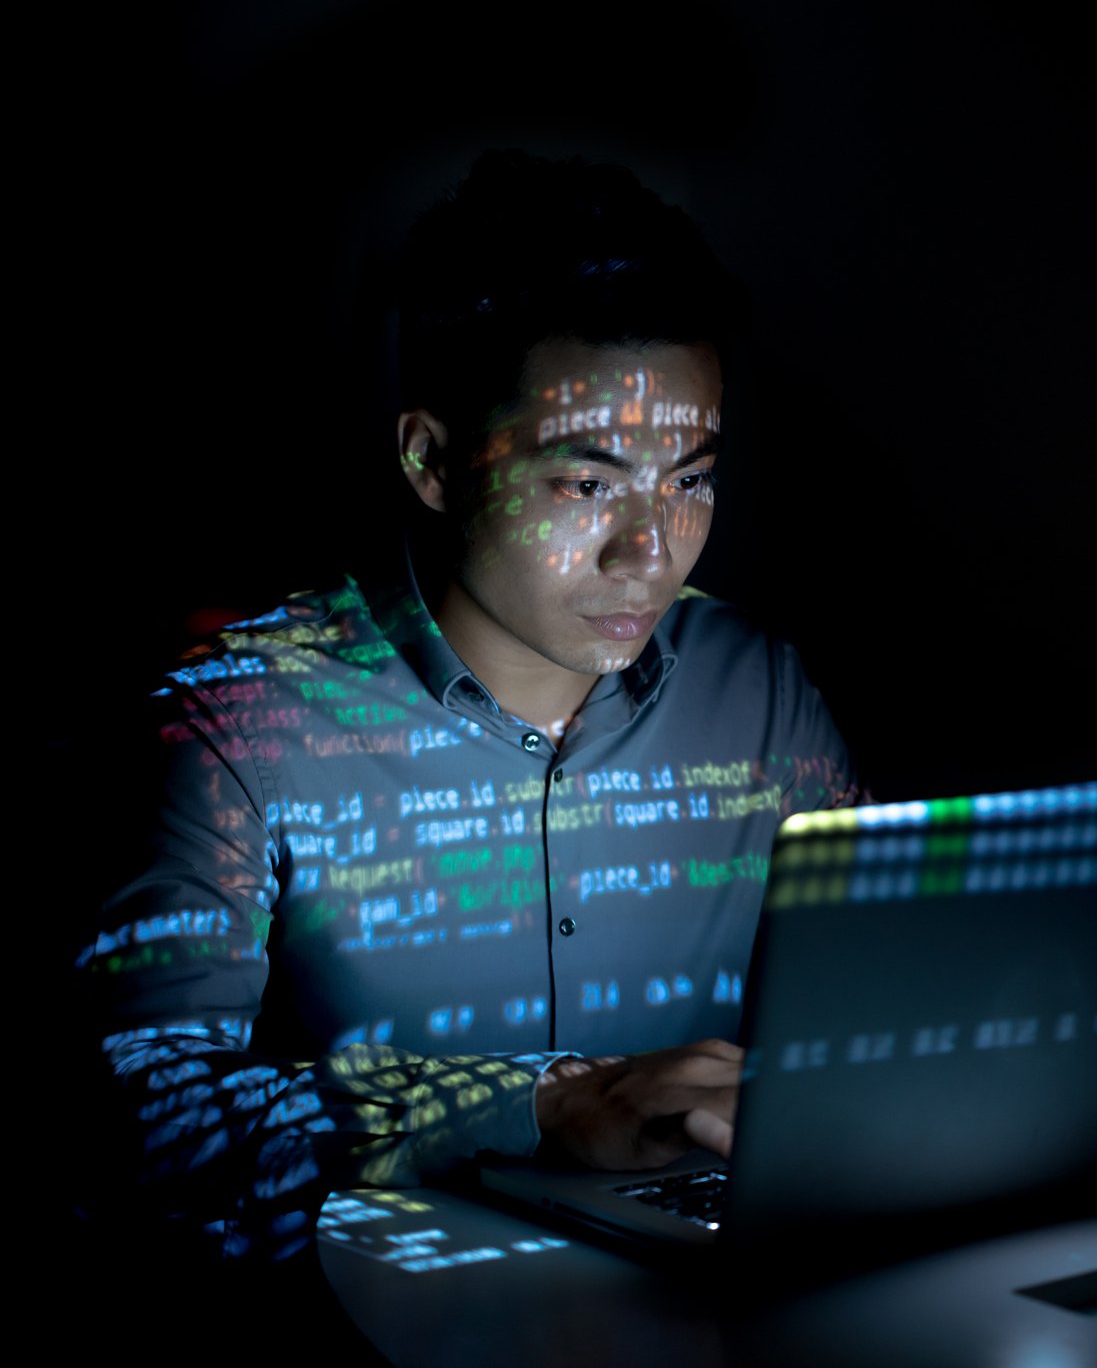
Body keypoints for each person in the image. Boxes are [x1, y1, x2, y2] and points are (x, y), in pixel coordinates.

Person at [76, 150, 862, 1265]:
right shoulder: (241, 722)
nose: (651, 550)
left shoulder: (756, 689)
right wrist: (534, 1106)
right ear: (433, 460)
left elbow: (866, 1021)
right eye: (587, 484)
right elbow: (136, 1118)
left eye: (688, 478)